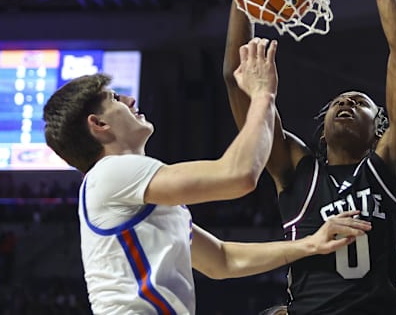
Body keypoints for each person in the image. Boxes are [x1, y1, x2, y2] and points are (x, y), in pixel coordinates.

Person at [42, 39, 371, 314]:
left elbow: (222, 260)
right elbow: (238, 175)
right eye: (115, 99)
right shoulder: (111, 172)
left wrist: (309, 245)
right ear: (99, 125)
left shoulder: (132, 191)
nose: (130, 99)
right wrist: (262, 96)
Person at [223, 0, 396, 315]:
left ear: (378, 130)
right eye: (338, 102)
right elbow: (236, 78)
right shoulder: (296, 172)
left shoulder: (393, 165)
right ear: (322, 128)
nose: (346, 102)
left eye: (359, 102)